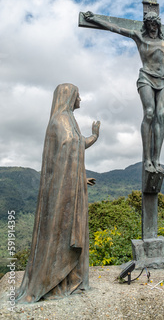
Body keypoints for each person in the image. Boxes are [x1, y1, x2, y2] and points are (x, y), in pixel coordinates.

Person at [84, 10, 164, 174]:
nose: (152, 27)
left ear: (158, 24)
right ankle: (147, 159)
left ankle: (156, 159)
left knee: (162, 115)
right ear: (146, 25)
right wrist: (95, 19)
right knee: (150, 113)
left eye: (154, 24)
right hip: (146, 78)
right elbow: (115, 28)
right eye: (149, 24)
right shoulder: (140, 37)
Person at [16, 83, 100, 303]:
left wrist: (80, 177)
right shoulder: (60, 120)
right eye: (77, 95)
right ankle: (53, 283)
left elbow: (72, 150)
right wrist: (92, 138)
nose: (80, 99)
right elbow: (68, 149)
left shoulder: (68, 119)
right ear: (69, 96)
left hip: (71, 187)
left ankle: (71, 280)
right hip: (63, 194)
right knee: (60, 234)